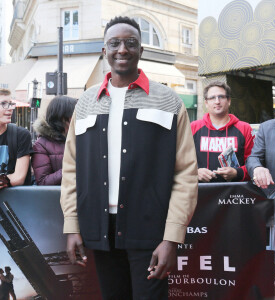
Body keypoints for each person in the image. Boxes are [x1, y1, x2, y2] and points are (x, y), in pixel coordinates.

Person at [60, 16, 198, 300]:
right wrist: (72, 225)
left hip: (150, 230)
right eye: (114, 43)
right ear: (104, 50)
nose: (122, 49)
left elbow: (185, 173)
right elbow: (71, 169)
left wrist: (171, 238)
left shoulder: (169, 101)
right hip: (99, 230)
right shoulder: (85, 103)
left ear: (141, 50)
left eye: (130, 43)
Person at [191, 81, 254, 182]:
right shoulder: (193, 127)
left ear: (229, 101)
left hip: (234, 192)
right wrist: (195, 172)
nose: (217, 101)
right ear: (206, 103)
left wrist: (237, 173)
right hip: (201, 192)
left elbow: (254, 164)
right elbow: (181, 161)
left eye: (221, 97)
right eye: (212, 98)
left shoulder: (245, 128)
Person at [32, 95, 77, 185]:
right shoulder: (41, 144)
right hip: (59, 196)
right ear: (62, 118)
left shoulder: (82, 137)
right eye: (75, 115)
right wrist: (74, 167)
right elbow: (43, 181)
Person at [0, 89, 32, 188]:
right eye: (4, 104)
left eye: (11, 104)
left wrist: (4, 181)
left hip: (11, 202)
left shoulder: (21, 135)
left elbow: (18, 178)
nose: (10, 108)